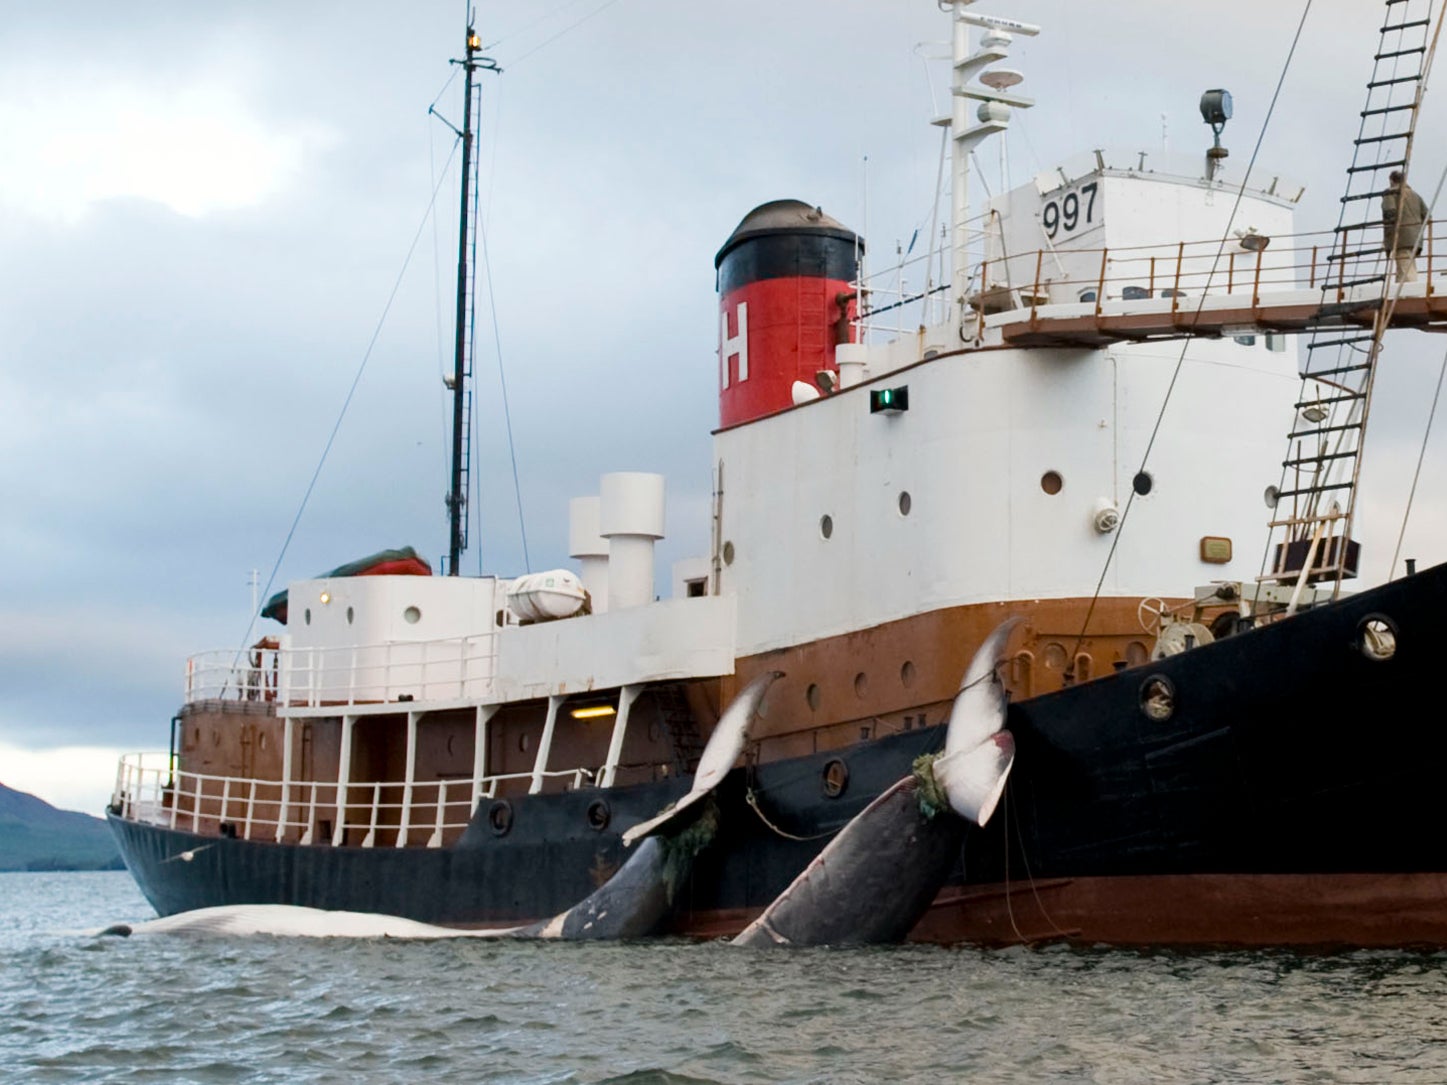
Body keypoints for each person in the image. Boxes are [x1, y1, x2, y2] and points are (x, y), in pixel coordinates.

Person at [1382, 169, 1429, 283]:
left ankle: (1410, 293)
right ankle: (1401, 293)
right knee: (1405, 266)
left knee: (1405, 270)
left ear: (1391, 180)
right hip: (1415, 238)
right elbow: (1427, 216)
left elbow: (1390, 214)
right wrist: (1416, 228)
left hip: (1401, 237)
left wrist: (1387, 241)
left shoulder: (1391, 193)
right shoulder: (1415, 195)